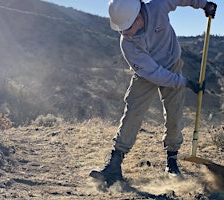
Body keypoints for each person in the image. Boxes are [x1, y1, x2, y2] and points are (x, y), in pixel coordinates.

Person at [90, 0, 217, 185]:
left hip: (172, 64)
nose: (123, 32)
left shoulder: (159, 6)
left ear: (140, 13)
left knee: (174, 115)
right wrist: (184, 82)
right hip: (146, 74)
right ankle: (114, 165)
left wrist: (204, 4)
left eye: (127, 27)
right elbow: (154, 73)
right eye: (120, 29)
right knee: (133, 112)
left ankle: (172, 163)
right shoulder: (127, 44)